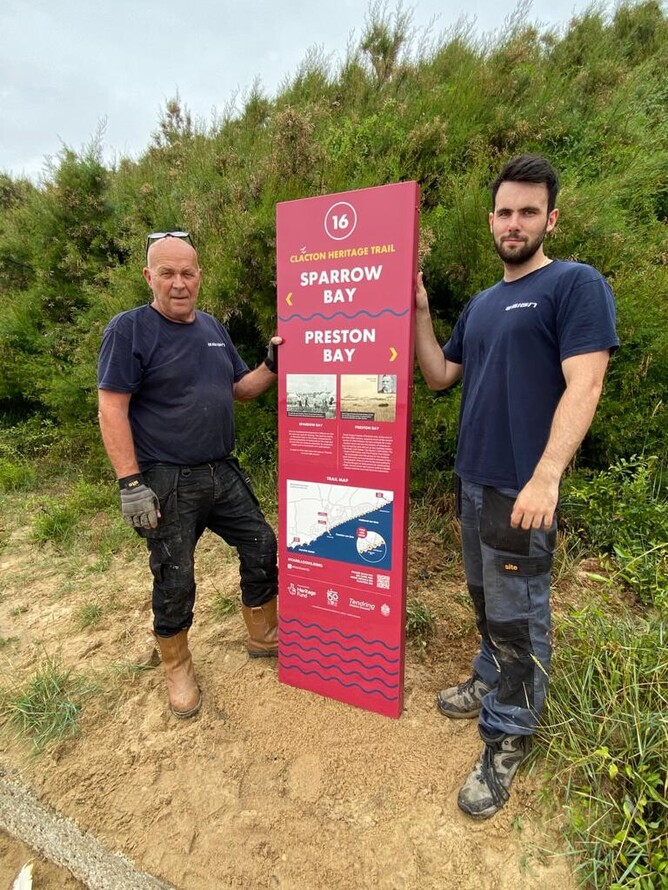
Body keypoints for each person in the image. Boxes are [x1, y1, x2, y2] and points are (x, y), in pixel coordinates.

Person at [414, 155, 619, 818]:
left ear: (550, 219)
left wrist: (547, 474)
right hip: (474, 480)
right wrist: (419, 310)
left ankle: (508, 736)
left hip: (522, 489)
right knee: (484, 599)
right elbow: (442, 374)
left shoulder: (574, 285)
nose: (514, 222)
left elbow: (585, 384)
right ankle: (489, 675)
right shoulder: (482, 302)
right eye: (505, 211)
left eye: (528, 211)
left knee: (519, 611)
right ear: (492, 220)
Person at [97, 231, 281, 719]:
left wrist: (272, 364)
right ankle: (177, 668)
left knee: (262, 543)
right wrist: (130, 483)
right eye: (167, 273)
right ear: (149, 277)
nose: (179, 283)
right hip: (166, 478)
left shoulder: (213, 328)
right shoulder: (129, 329)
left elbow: (241, 388)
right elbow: (112, 407)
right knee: (176, 576)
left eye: (187, 273)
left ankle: (262, 633)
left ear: (199, 276)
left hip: (221, 469)